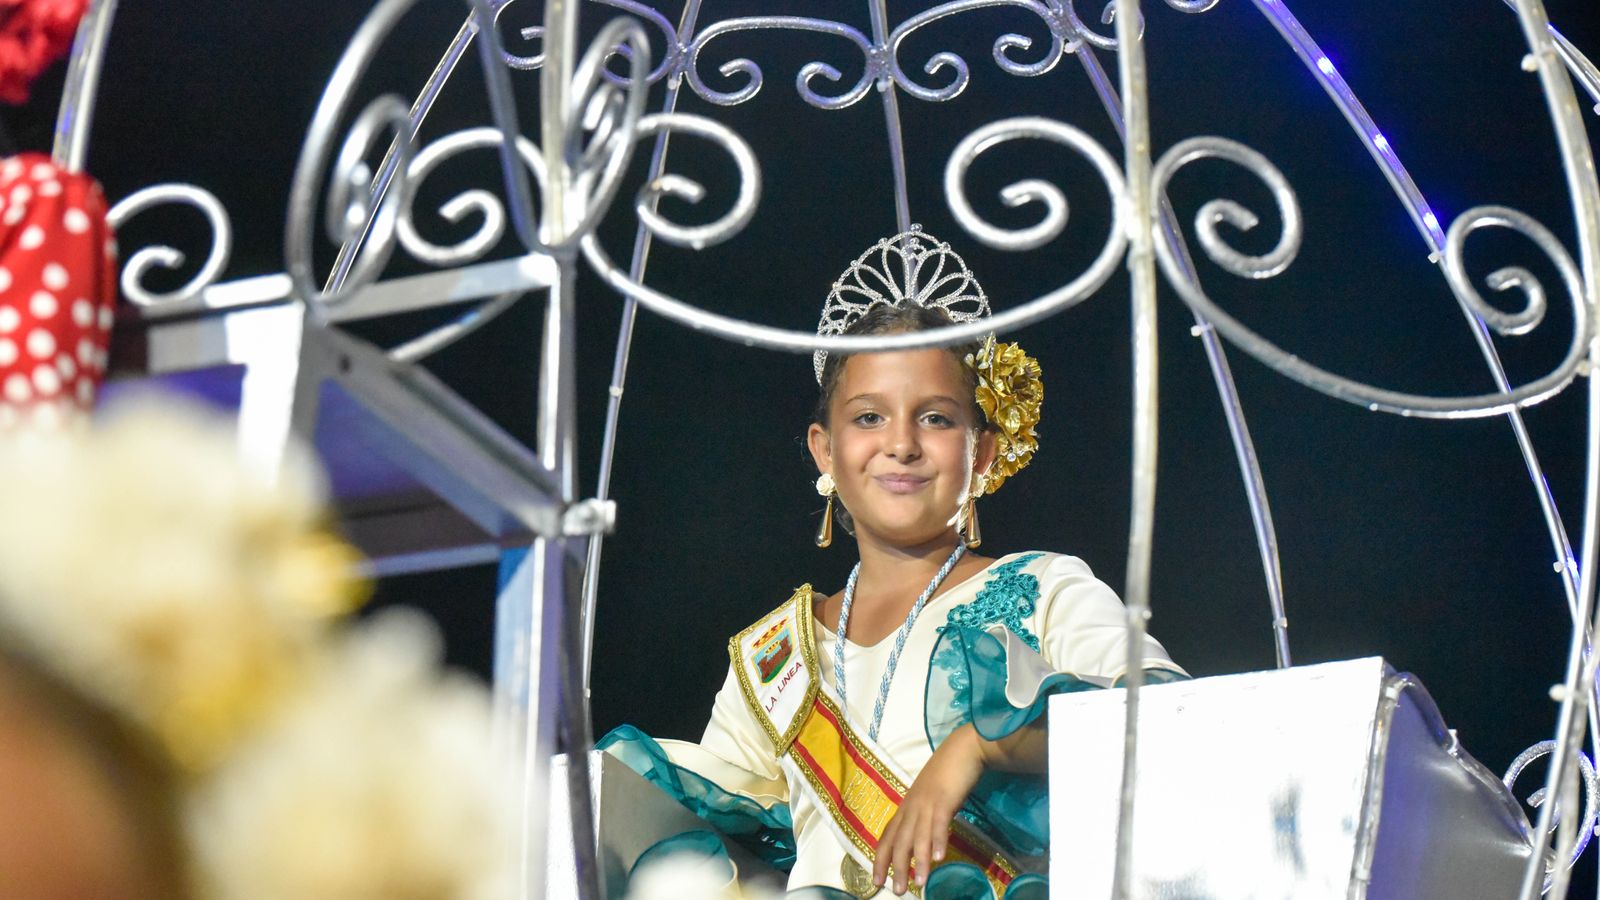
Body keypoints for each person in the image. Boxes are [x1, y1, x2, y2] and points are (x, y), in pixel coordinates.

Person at [603, 228, 1186, 899]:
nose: (901, 445)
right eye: (870, 417)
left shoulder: (1047, 589)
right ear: (825, 451)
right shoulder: (772, 660)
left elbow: (1163, 725)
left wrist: (981, 744)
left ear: (983, 453)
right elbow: (713, 830)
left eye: (936, 419)